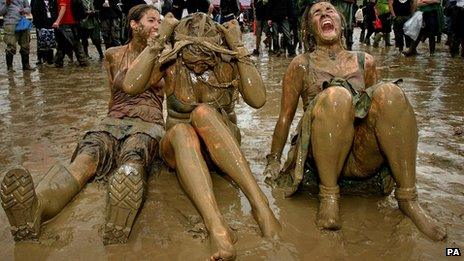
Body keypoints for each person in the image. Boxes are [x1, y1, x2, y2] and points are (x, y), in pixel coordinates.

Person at [264, 1, 446, 241]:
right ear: (309, 29)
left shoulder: (365, 61)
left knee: (390, 93)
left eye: (330, 11)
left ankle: (408, 199)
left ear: (342, 22)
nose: (325, 14)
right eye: (317, 13)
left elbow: (378, 115)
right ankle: (329, 197)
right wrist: (274, 160)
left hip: (360, 157)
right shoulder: (300, 64)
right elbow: (285, 118)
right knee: (337, 96)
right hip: (321, 158)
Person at [0, 5, 164, 245]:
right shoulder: (113, 55)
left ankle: (118, 215)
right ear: (134, 24)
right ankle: (37, 207)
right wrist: (106, 125)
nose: (157, 26)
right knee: (84, 160)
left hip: (148, 123)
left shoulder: (166, 56)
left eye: (159, 22)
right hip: (113, 122)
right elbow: (113, 95)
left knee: (133, 156)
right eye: (152, 21)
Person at [122, 12, 281, 260]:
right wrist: (160, 38)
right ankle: (216, 226)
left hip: (221, 148)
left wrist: (238, 47)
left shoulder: (228, 63)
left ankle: (261, 205)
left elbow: (259, 100)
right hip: (180, 150)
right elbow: (130, 86)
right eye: (191, 60)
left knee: (204, 113)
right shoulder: (170, 65)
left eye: (205, 60)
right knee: (183, 129)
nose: (198, 66)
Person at [53, 0, 89, 67]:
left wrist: (57, 21)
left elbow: (63, 8)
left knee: (75, 43)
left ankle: (83, 62)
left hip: (66, 23)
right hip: (70, 23)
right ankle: (58, 63)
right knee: (62, 44)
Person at [0, 0, 33, 71]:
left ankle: (26, 66)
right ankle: (10, 68)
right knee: (11, 46)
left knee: (26, 45)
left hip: (23, 23)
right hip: (10, 23)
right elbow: (1, 12)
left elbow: (29, 8)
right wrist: (7, 4)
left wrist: (24, 10)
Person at [31, 0, 57, 65]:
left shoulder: (52, 1)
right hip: (40, 25)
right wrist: (38, 26)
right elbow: (34, 12)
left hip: (51, 24)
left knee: (50, 42)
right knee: (41, 42)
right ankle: (40, 58)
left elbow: (55, 10)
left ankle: (50, 59)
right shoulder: (36, 1)